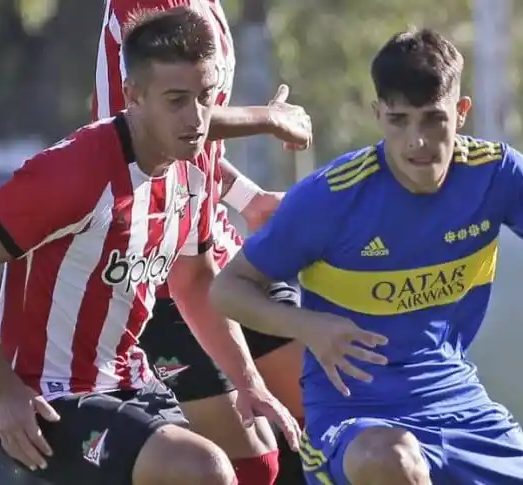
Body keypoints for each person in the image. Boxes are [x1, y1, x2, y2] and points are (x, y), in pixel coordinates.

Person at [210, 28, 523, 485]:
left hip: (460, 406)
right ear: (377, 114)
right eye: (399, 120)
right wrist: (307, 326)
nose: (416, 141)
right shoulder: (331, 196)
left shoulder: (498, 175)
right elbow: (228, 288)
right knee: (394, 461)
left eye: (432, 119)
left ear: (461, 112)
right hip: (355, 420)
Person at [0, 8, 298, 485]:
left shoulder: (191, 167)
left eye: (206, 98)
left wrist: (249, 384)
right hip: (50, 400)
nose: (197, 118)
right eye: (177, 100)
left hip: (130, 379)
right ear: (134, 96)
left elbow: (195, 281)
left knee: (261, 464)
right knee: (201, 470)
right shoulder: (75, 174)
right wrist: (5, 389)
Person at [94, 2, 309, 484]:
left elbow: (189, 138)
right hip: (159, 269)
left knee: (324, 412)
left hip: (213, 246)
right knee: (253, 463)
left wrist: (246, 197)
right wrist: (267, 118)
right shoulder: (145, 9)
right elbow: (145, 132)